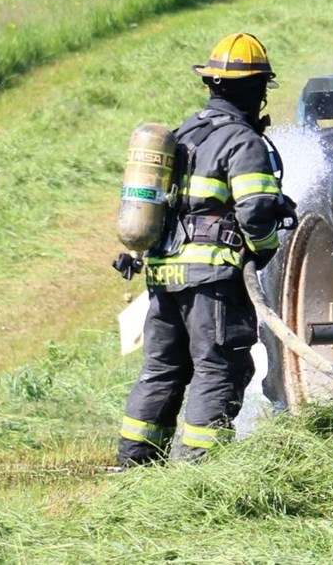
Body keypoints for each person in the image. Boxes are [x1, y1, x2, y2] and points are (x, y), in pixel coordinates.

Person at [112, 32, 296, 467]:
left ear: (211, 84)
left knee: (162, 370)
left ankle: (135, 464)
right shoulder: (243, 142)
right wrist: (264, 249)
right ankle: (200, 470)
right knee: (218, 369)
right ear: (257, 89)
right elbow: (255, 212)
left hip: (163, 275)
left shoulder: (182, 133)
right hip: (211, 280)